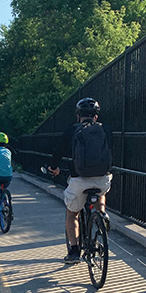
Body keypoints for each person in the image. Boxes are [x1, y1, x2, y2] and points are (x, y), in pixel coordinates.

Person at [48, 98, 112, 264]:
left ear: (78, 116)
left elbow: (58, 151)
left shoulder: (72, 130)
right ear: (96, 116)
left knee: (72, 214)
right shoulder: (105, 129)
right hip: (102, 178)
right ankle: (102, 214)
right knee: (101, 192)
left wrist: (54, 167)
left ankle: (75, 252)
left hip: (79, 180)